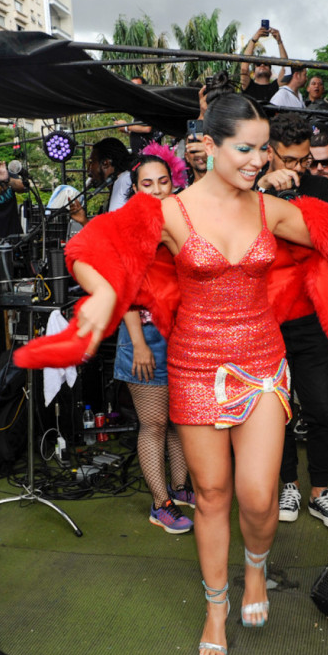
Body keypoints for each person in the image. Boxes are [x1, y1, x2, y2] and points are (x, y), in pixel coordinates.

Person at [13, 93, 328, 655]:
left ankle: (255, 570)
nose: (257, 159)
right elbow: (99, 245)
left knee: (256, 497)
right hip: (195, 366)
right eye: (244, 148)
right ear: (210, 145)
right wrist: (103, 294)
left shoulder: (268, 208)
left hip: (262, 366)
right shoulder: (170, 211)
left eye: (262, 148)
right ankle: (216, 607)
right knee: (212, 495)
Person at [255, 112, 328, 527]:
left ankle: (319, 492)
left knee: (323, 408)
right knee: (277, 412)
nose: (298, 169)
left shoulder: (319, 186)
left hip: (312, 316)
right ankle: (289, 487)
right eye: (289, 160)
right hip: (266, 318)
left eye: (303, 160)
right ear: (268, 153)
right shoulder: (249, 189)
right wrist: (260, 191)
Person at [112, 145, 194, 534]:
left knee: (178, 420)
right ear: (134, 188)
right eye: (148, 183)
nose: (158, 189)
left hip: (180, 333)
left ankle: (180, 489)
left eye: (164, 181)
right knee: (154, 424)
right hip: (142, 335)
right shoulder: (128, 227)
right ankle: (160, 504)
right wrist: (139, 344)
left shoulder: (180, 220)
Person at [239, 25, 287, 105]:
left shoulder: (275, 86)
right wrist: (254, 39)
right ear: (253, 73)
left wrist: (279, 42)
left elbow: (286, 68)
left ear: (271, 72)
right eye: (258, 64)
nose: (262, 65)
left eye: (266, 63)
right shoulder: (248, 85)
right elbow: (244, 67)